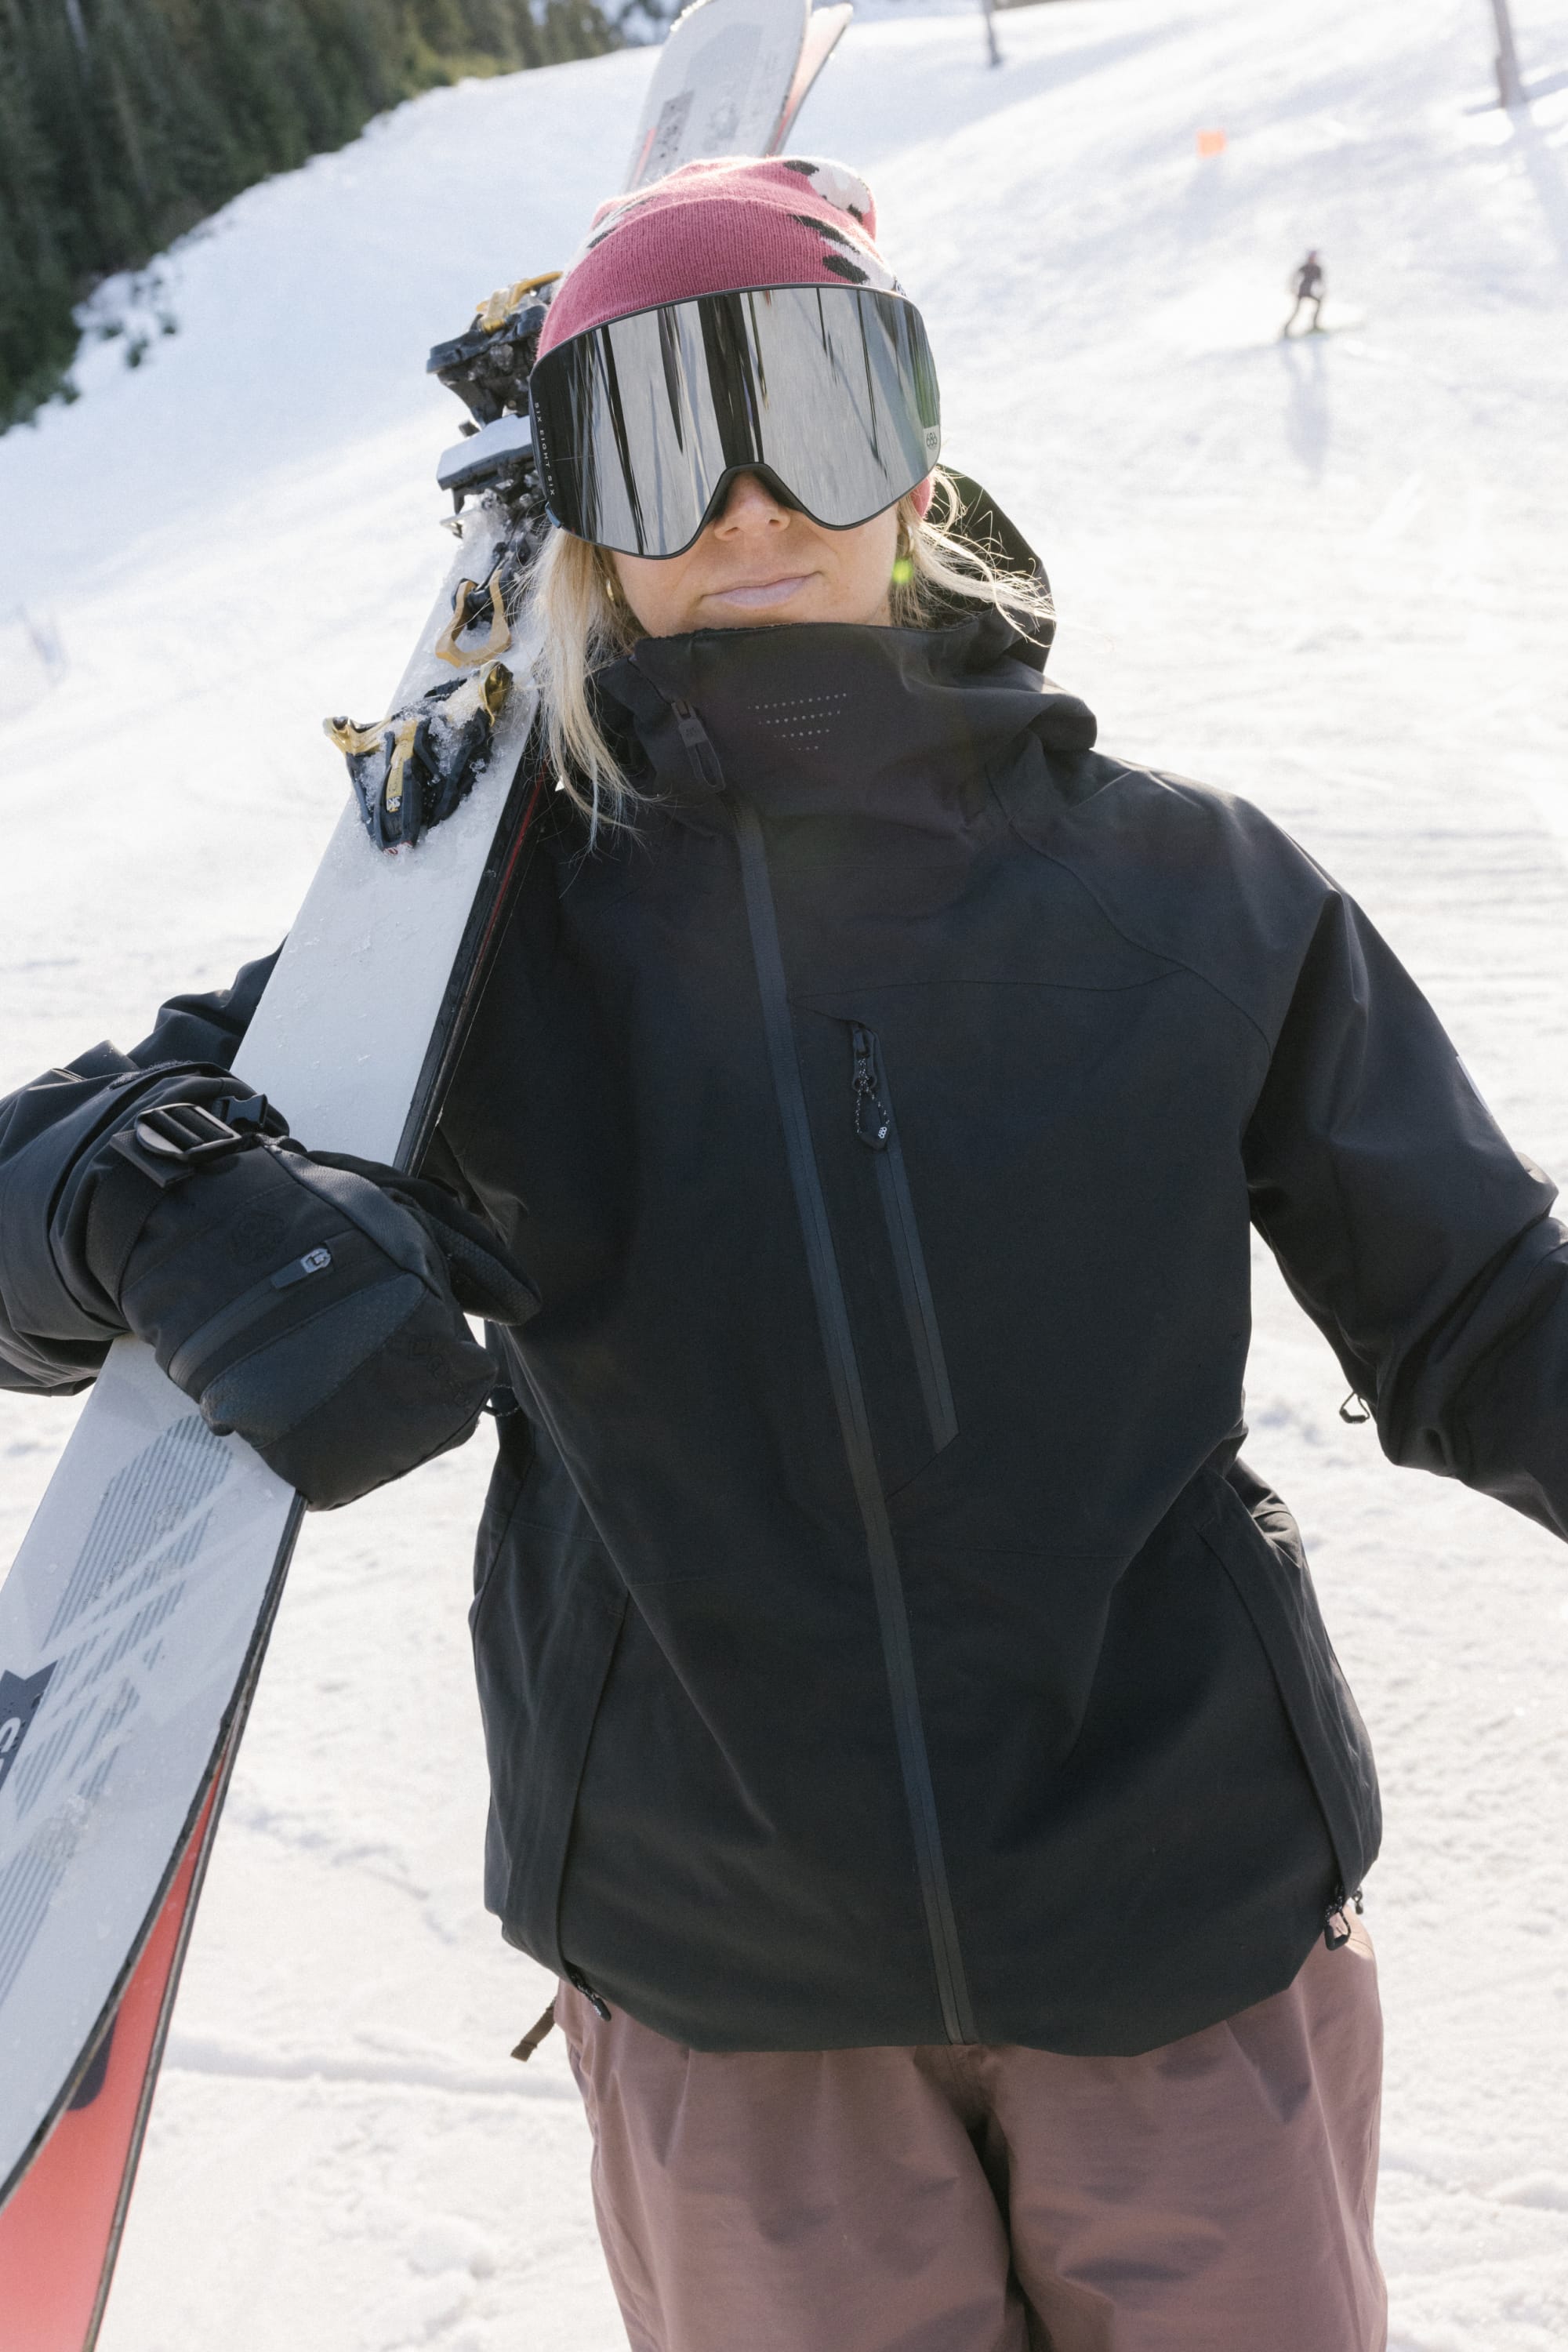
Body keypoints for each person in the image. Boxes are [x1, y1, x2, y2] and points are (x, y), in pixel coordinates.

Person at [2, 154, 1564, 2352]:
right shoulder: (472, 951)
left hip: (1180, 1935)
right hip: (722, 1984)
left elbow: (1486, 1317)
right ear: (584, 526)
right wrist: (166, 1197)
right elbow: (36, 1199)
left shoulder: (1195, 897)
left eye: (814, 410)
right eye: (658, 441)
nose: (747, 504)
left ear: (916, 458)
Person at [1284, 247, 1325, 335]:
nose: (1312, 259)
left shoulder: (1317, 269)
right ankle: (1286, 327)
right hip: (1302, 292)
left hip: (1309, 292)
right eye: (1311, 257)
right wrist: (1292, 287)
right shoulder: (1305, 267)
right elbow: (1294, 277)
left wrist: (1322, 292)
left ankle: (1314, 325)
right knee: (1297, 310)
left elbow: (1321, 282)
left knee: (1318, 304)